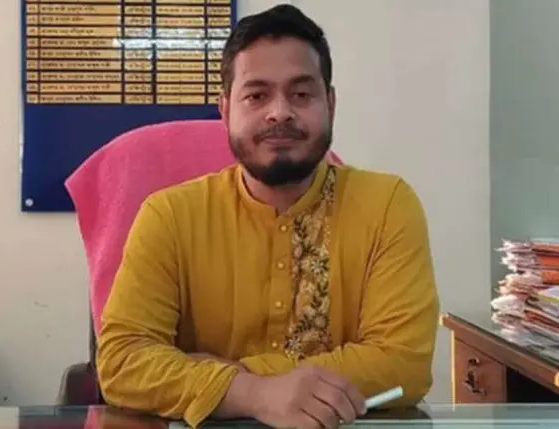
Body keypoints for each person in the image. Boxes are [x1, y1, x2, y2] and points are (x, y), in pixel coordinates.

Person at [95, 4, 440, 429]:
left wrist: (227, 376)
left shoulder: (387, 205)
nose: (280, 112)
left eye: (301, 94)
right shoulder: (169, 215)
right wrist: (255, 394)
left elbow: (404, 365)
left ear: (330, 103)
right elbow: (122, 362)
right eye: (257, 95)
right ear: (225, 109)